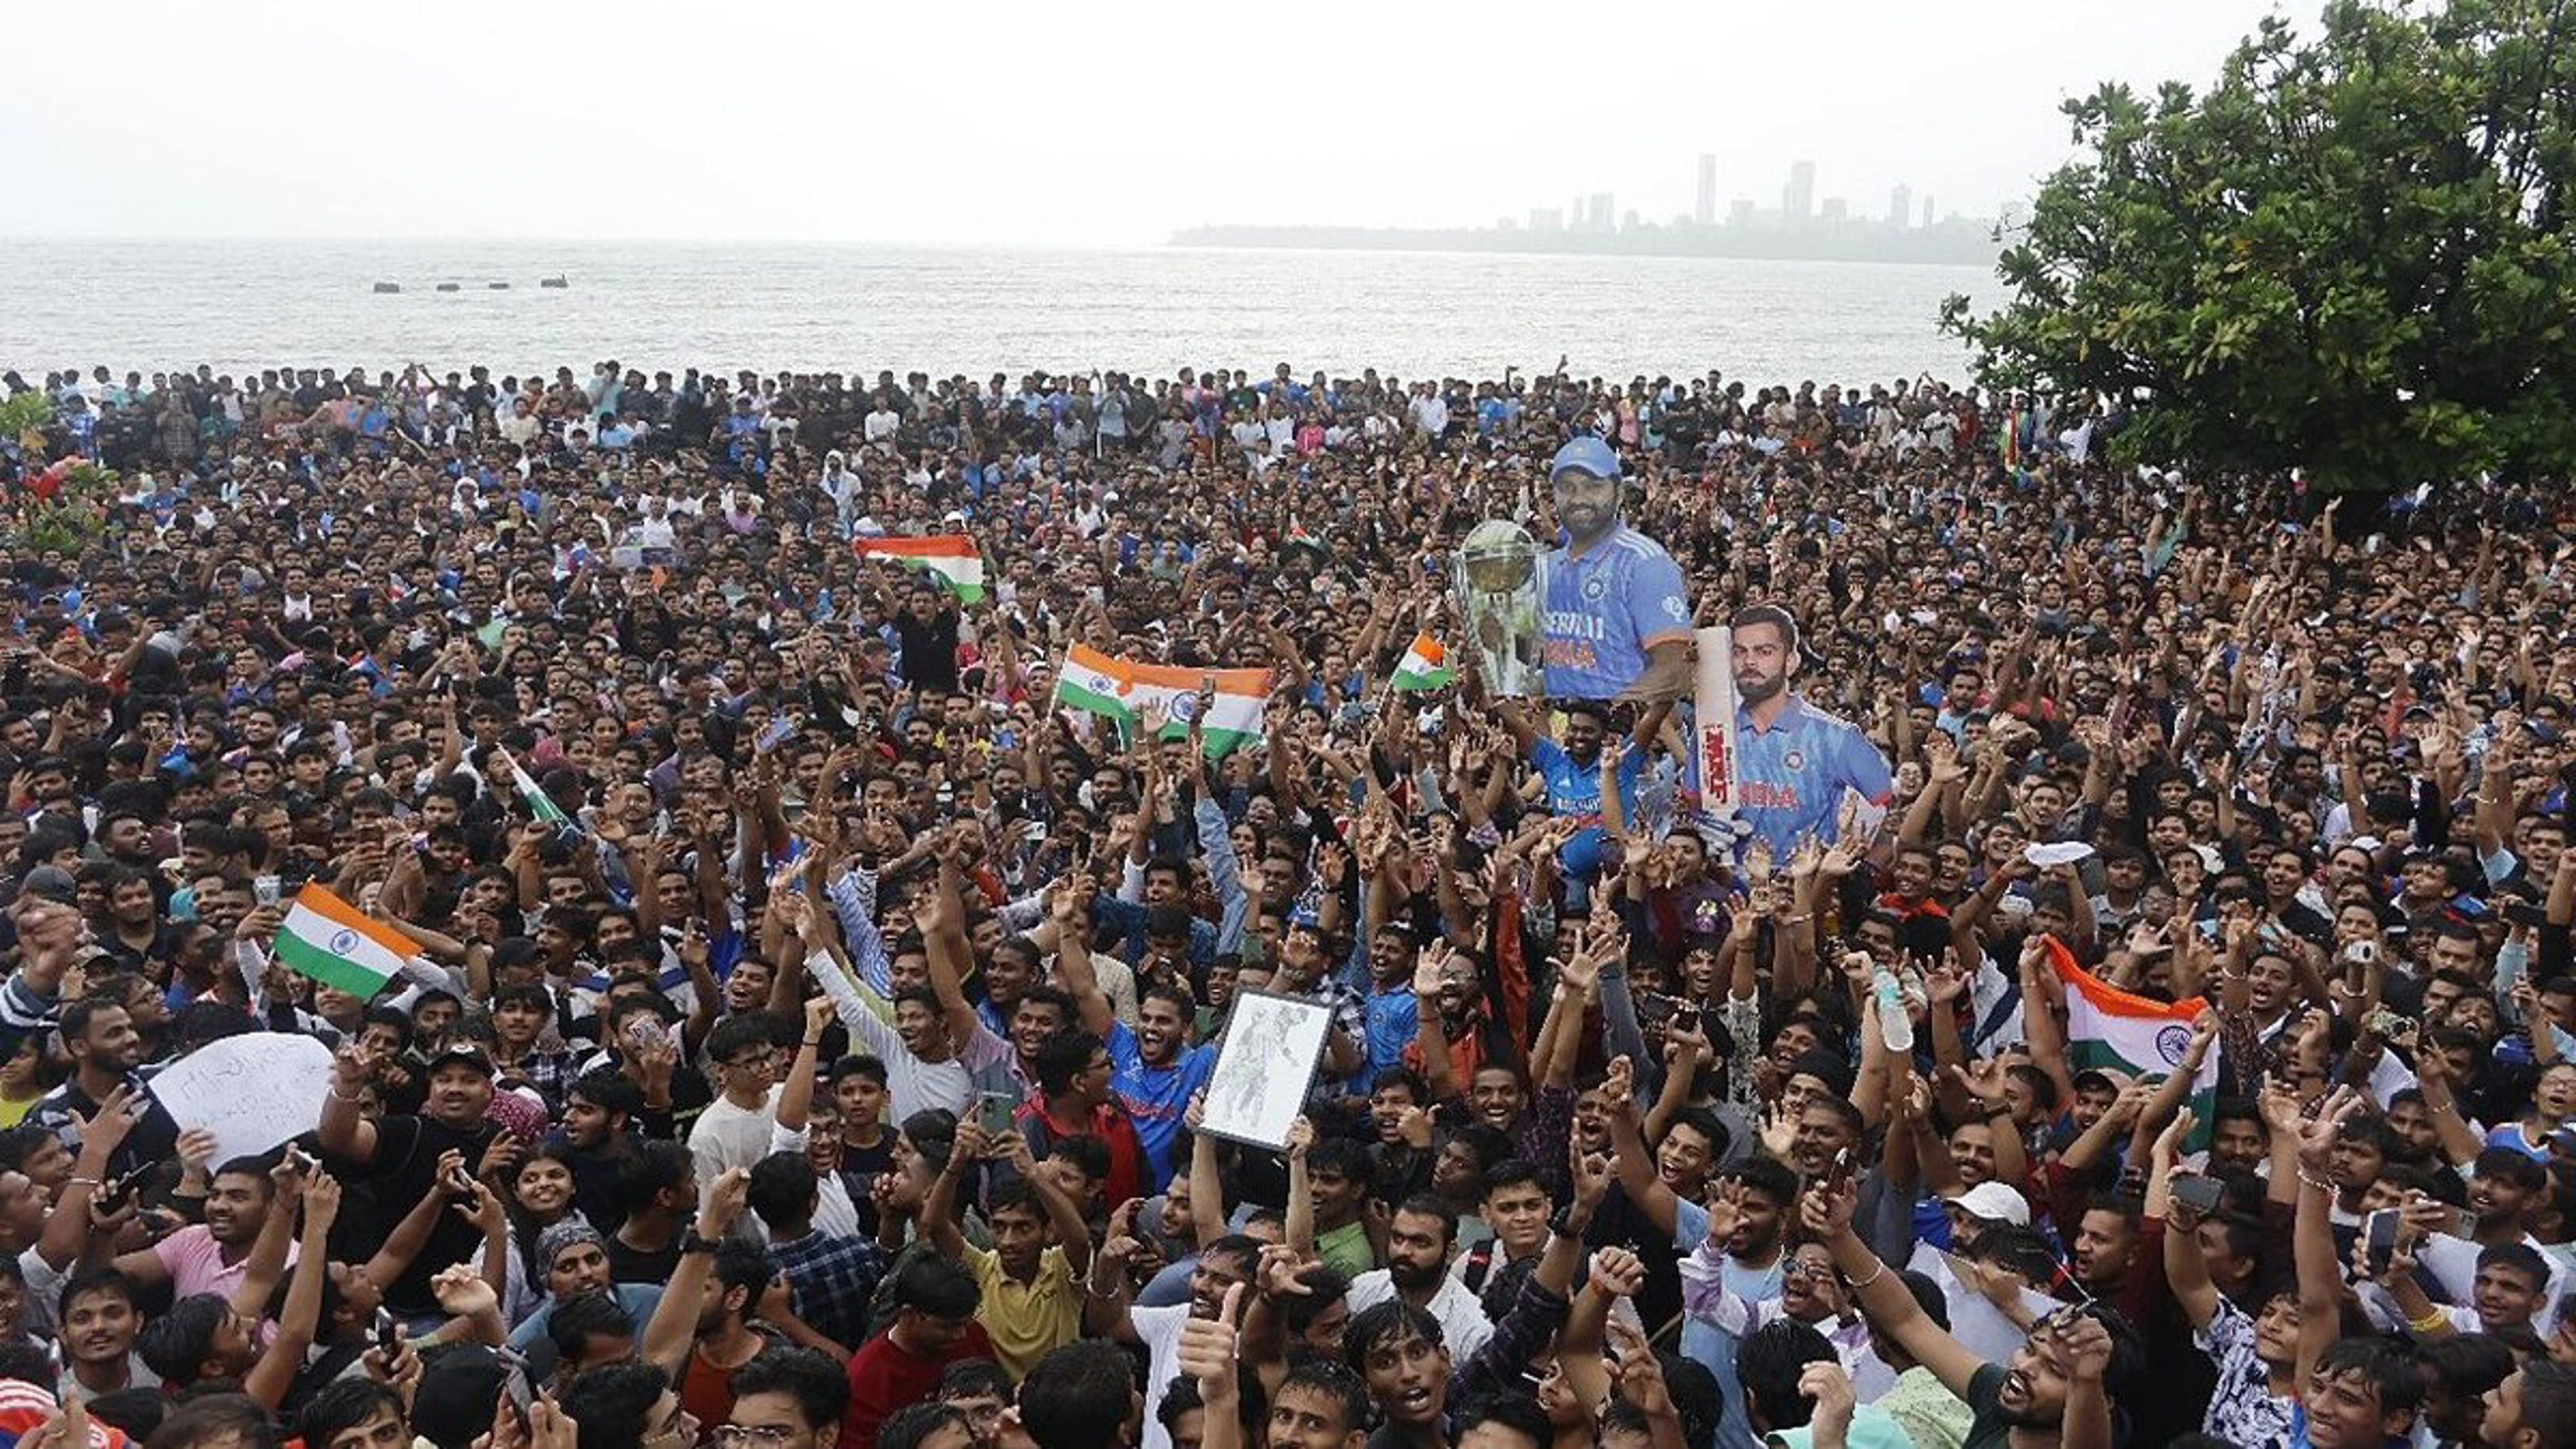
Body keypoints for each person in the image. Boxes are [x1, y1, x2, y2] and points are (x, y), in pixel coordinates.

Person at [1536, 435, 1692, 701]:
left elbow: (1673, 668)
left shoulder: (1645, 562)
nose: (1579, 498)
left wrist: (1605, 717)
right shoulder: (1546, 566)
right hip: (1556, 732)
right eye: (1567, 488)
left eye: (1593, 486)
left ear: (1618, 492)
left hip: (1617, 735)